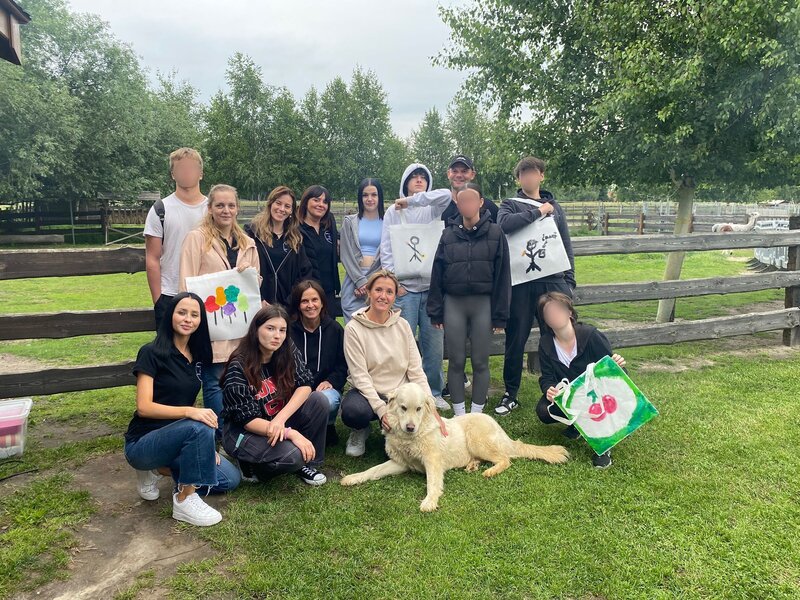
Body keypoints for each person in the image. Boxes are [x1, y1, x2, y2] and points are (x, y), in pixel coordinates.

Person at [124, 292, 241, 527]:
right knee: (199, 425)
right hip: (144, 442)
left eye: (194, 315)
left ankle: (159, 470)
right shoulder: (151, 352)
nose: (188, 319)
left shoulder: (197, 356)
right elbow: (144, 407)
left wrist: (204, 449)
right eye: (182, 312)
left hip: (180, 438)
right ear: (170, 315)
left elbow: (187, 402)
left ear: (200, 321)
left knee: (230, 479)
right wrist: (191, 413)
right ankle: (185, 499)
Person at [494, 156, 576, 416]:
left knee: (555, 335)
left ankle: (562, 387)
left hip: (552, 281)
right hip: (521, 283)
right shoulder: (509, 204)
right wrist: (538, 212)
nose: (528, 177)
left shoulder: (556, 207)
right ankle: (511, 393)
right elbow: (504, 225)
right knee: (515, 339)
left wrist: (570, 280)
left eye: (533, 173)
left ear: (541, 175)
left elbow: (564, 243)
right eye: (523, 174)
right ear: (519, 179)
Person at [179, 184, 259, 435]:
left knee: (243, 377)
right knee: (215, 379)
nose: (226, 210)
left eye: (231, 205)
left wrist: (250, 276)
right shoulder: (197, 238)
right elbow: (186, 281)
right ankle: (222, 433)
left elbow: (256, 285)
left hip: (240, 323)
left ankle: (243, 428)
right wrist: (190, 318)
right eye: (220, 205)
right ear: (210, 208)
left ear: (237, 209)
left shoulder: (248, 243)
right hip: (211, 324)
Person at [341, 269, 448, 457]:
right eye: (378, 290)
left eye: (389, 292)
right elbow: (360, 376)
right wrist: (382, 410)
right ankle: (360, 430)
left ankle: (395, 428)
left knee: (401, 450)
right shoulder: (353, 329)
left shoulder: (403, 326)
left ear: (395, 296)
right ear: (369, 292)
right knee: (353, 411)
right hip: (368, 393)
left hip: (400, 395)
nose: (383, 296)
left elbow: (416, 371)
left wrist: (432, 408)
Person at [221, 304, 329, 485]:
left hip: (276, 420)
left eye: (282, 330)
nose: (277, 335)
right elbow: (247, 420)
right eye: (270, 328)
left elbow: (305, 385)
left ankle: (309, 463)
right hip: (245, 431)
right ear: (256, 330)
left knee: (319, 401)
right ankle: (249, 462)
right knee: (293, 456)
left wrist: (280, 420)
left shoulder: (286, 349)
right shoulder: (238, 366)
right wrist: (291, 433)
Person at [428, 183, 511, 415]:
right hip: (454, 303)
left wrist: (500, 316)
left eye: (472, 200)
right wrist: (435, 311)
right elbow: (437, 273)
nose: (467, 205)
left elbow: (503, 276)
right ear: (457, 203)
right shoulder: (448, 235)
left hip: (483, 304)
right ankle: (459, 415)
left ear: (481, 202)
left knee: (480, 361)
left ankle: (476, 414)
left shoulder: (495, 233)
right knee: (455, 361)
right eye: (462, 200)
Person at [379, 163, 452, 410]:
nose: (419, 180)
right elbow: (387, 248)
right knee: (402, 345)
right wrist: (394, 283)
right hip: (405, 290)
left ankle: (433, 393)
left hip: (431, 290)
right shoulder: (393, 212)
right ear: (405, 182)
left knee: (434, 344)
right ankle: (401, 391)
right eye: (414, 177)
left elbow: (447, 195)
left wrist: (412, 201)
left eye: (423, 177)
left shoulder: (432, 208)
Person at [535, 292, 626, 469]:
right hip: (571, 394)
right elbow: (546, 377)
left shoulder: (591, 335)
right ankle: (578, 426)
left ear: (569, 312)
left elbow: (610, 369)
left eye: (558, 310)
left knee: (598, 405)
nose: (554, 315)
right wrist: (549, 389)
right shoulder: (546, 343)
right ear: (544, 319)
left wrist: (618, 364)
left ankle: (604, 445)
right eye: (548, 313)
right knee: (544, 410)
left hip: (597, 393)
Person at [144, 148, 207, 329]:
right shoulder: (160, 209)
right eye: (181, 168)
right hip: (171, 293)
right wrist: (159, 301)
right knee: (169, 346)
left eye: (192, 168)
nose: (187, 172)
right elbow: (152, 258)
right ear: (173, 174)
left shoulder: (213, 208)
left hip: (207, 292)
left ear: (201, 173)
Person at [288, 280, 347, 447]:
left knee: (327, 400)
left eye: (314, 300)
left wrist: (331, 381)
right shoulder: (289, 331)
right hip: (295, 389)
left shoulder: (335, 329)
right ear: (298, 305)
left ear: (322, 303)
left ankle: (327, 425)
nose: (310, 305)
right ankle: (301, 429)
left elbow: (343, 364)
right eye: (304, 301)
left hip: (324, 388)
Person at [246, 186, 313, 307]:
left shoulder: (295, 239)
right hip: (259, 305)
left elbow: (304, 273)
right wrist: (259, 299)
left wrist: (291, 301)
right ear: (270, 204)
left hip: (287, 308)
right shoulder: (253, 234)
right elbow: (245, 269)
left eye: (287, 206)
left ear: (291, 210)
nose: (282, 209)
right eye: (278, 203)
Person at [340, 178, 384, 322]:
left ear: (380, 197)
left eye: (374, 195)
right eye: (365, 195)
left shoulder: (388, 222)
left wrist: (370, 284)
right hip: (353, 281)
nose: (369, 199)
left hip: (378, 281)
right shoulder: (350, 222)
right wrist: (360, 282)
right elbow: (346, 254)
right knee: (354, 328)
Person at [298, 185, 342, 316]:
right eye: (316, 200)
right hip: (307, 292)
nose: (321, 205)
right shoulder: (296, 229)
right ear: (306, 202)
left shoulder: (329, 224)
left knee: (329, 326)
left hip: (329, 291)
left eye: (325, 202)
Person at [439, 154, 499, 223]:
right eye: (454, 171)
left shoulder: (488, 207)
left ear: (472, 174)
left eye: (464, 171)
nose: (459, 175)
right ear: (448, 174)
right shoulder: (439, 207)